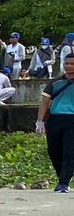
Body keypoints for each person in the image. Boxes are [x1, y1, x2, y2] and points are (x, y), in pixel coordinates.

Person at [35, 55, 74, 193]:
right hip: (55, 119)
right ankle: (62, 177)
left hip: (72, 120)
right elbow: (45, 102)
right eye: (67, 63)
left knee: (70, 151)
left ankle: (63, 182)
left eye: (72, 64)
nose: (69, 66)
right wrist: (40, 121)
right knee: (54, 151)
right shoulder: (55, 83)